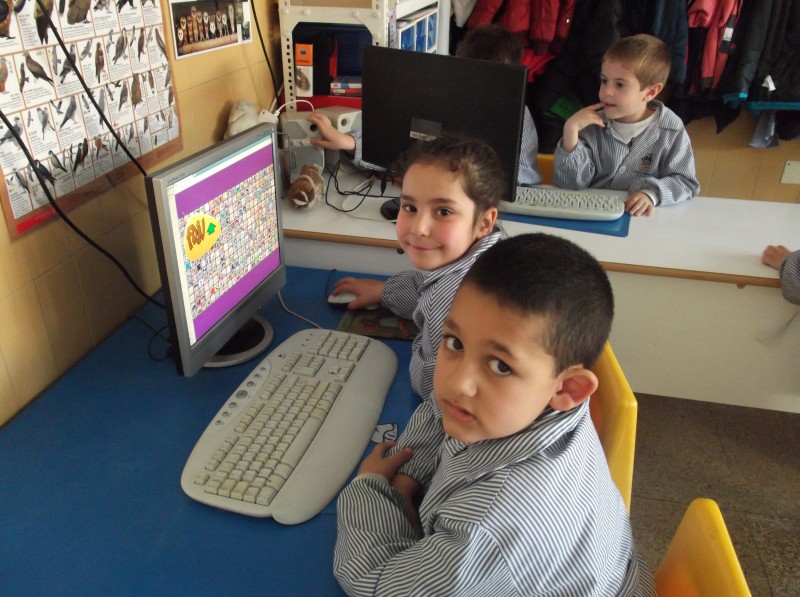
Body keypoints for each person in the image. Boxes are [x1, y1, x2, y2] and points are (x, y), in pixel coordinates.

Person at [333, 233, 655, 596]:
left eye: (500, 366)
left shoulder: (489, 526)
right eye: (455, 343)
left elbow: (376, 584)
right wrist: (409, 473)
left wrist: (370, 489)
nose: (458, 382)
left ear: (568, 389)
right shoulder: (533, 403)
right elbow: (440, 407)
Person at [331, 134, 503, 400]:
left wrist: (420, 344)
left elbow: (430, 386)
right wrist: (384, 291)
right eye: (409, 207)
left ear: (484, 222)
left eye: (443, 212)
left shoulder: (455, 299)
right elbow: (427, 288)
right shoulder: (492, 253)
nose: (419, 228)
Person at [307, 24, 542, 185]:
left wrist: (462, 177)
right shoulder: (440, 102)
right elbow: (400, 143)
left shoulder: (518, 114)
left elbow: (524, 175)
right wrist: (348, 142)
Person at [554, 33, 700, 217]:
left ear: (650, 92)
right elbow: (569, 185)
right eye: (604, 80)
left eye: (620, 85)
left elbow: (685, 182)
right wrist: (570, 130)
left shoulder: (671, 130)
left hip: (641, 222)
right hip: (590, 218)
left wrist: (651, 194)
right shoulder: (589, 125)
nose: (606, 92)